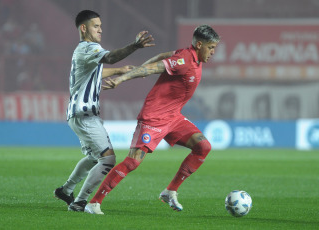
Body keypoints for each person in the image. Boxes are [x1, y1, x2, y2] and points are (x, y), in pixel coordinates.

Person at [84, 24, 220, 214]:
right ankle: (94, 203)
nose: (213, 52)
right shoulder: (184, 60)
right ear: (199, 45)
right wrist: (122, 79)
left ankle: (170, 191)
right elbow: (152, 69)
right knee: (132, 162)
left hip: (174, 118)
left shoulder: (188, 55)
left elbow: (161, 56)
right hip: (153, 117)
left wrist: (140, 67)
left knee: (203, 147)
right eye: (211, 47)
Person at [54, 10, 154, 212]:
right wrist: (134, 46)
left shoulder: (82, 52)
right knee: (108, 159)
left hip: (78, 114)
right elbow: (110, 57)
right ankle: (80, 202)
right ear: (84, 28)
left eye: (100, 26)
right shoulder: (89, 48)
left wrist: (120, 71)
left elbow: (96, 71)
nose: (100, 29)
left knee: (93, 157)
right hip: (84, 115)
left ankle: (67, 190)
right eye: (95, 26)